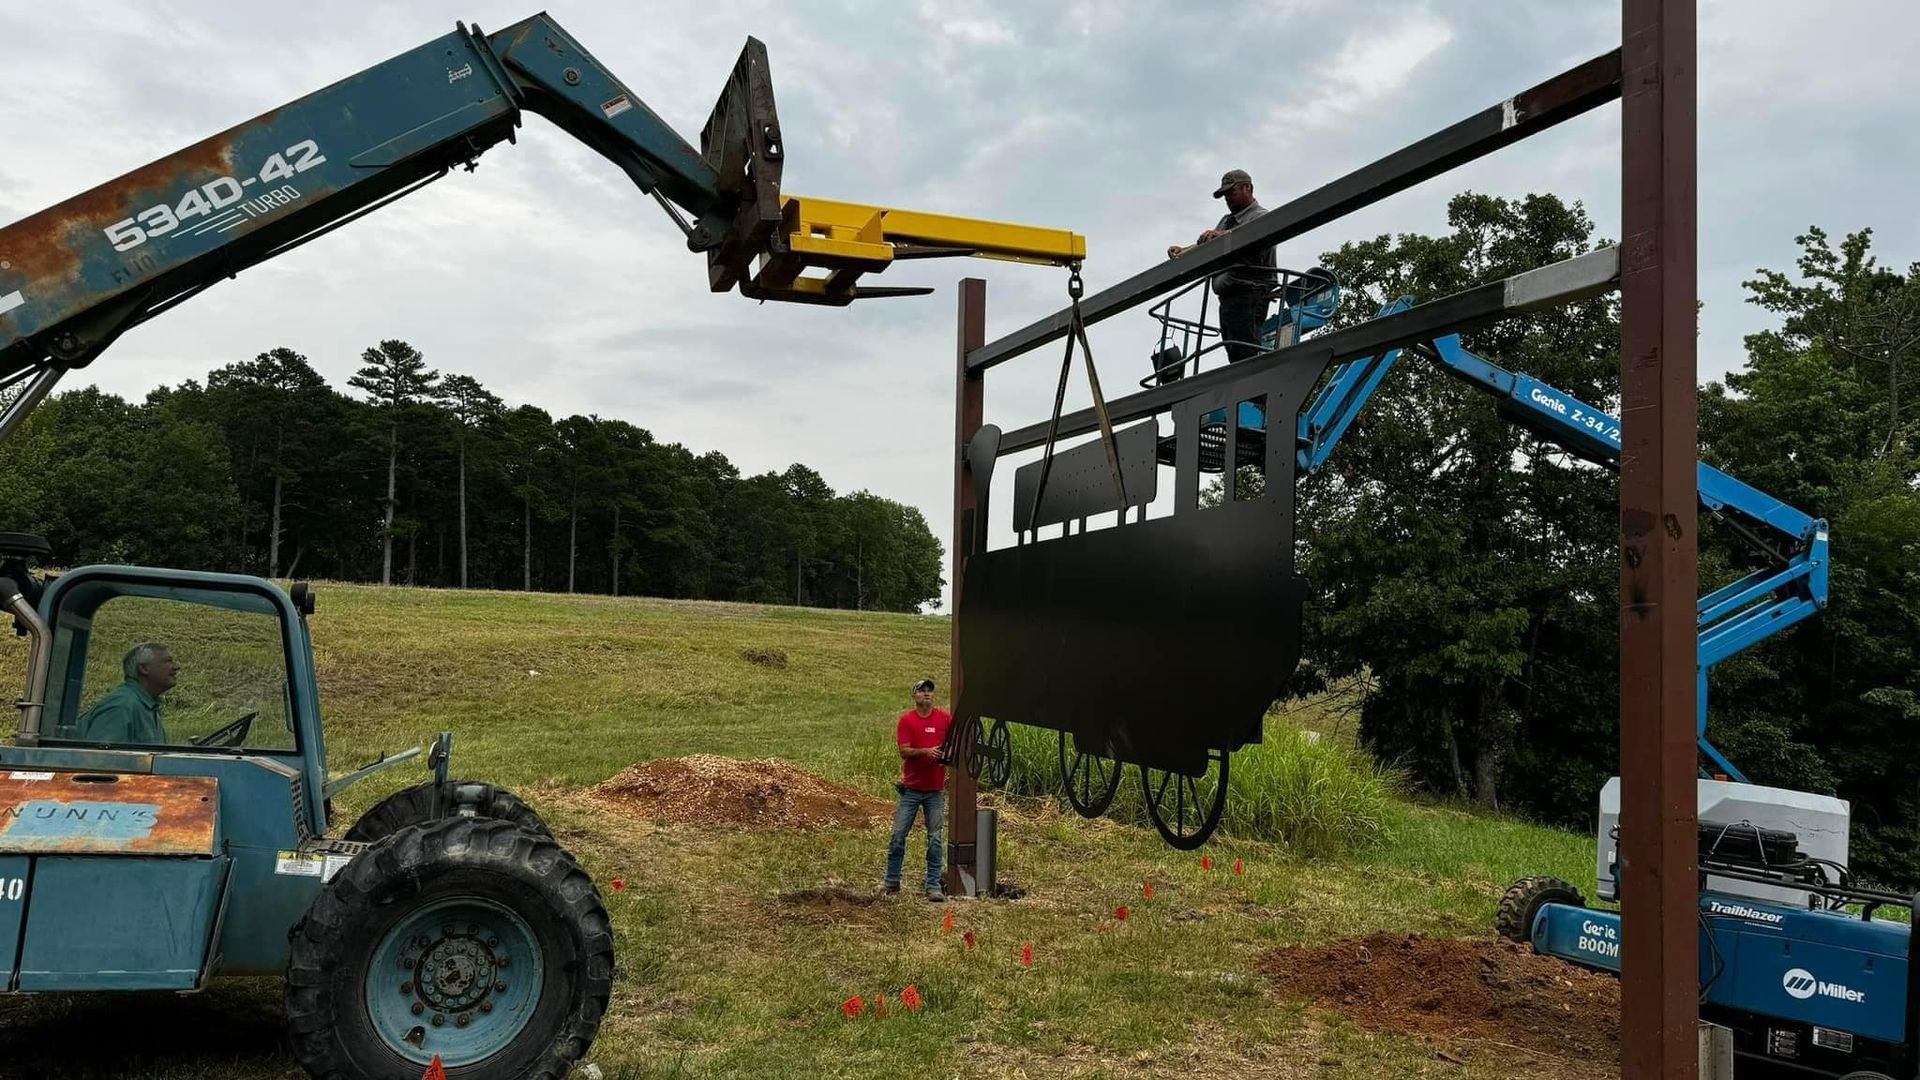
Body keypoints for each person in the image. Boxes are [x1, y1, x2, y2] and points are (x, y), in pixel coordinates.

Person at [1167, 168, 1277, 363]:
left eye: (1231, 192)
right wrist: (1184, 251)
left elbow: (1248, 239)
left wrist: (1223, 236)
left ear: (1248, 188)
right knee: (1234, 354)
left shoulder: (1261, 217)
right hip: (1228, 298)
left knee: (1246, 355)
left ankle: (1254, 391)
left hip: (1250, 294)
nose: (1227, 198)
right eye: (1224, 195)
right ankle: (1244, 389)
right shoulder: (1226, 221)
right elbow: (1211, 244)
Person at [885, 677, 952, 902]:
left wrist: (945, 757)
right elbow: (904, 751)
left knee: (935, 838)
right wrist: (926, 752)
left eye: (930, 691)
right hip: (912, 789)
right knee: (898, 835)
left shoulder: (944, 719)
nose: (926, 694)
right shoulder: (907, 721)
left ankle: (933, 885)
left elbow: (953, 743)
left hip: (935, 789)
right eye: (922, 691)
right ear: (914, 696)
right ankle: (892, 881)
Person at [77, 642, 177, 744]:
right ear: (144, 669)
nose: (176, 667)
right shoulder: (121, 707)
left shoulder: (148, 706)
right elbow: (101, 757)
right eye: (168, 661)